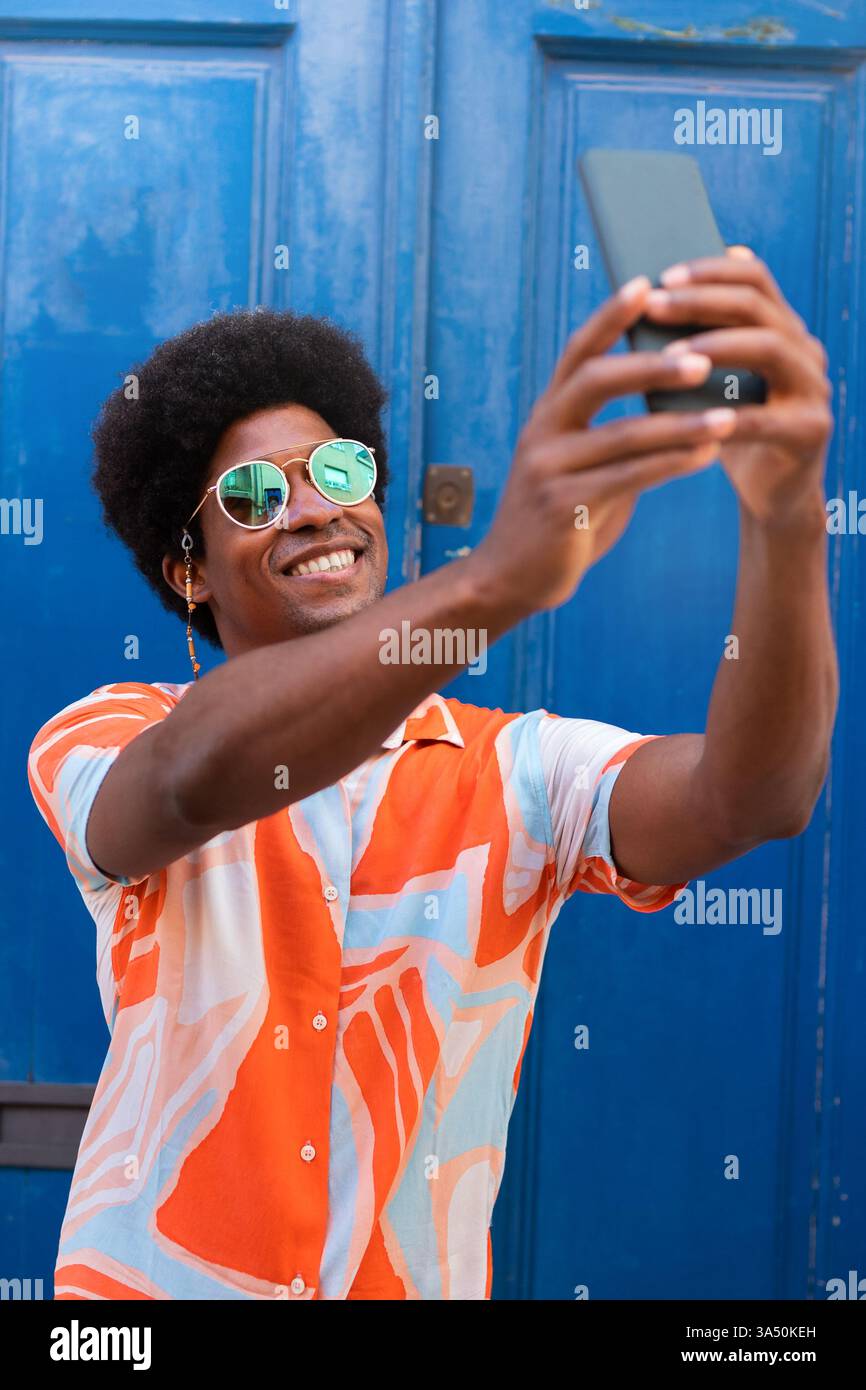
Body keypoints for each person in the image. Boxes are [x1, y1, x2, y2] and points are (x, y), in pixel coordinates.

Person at [27, 250, 837, 1300]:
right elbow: (191, 778)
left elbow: (754, 796)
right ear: (187, 568)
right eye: (256, 494)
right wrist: (498, 577)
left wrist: (785, 515)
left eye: (340, 471)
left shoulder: (521, 769)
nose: (315, 510)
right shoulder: (110, 734)